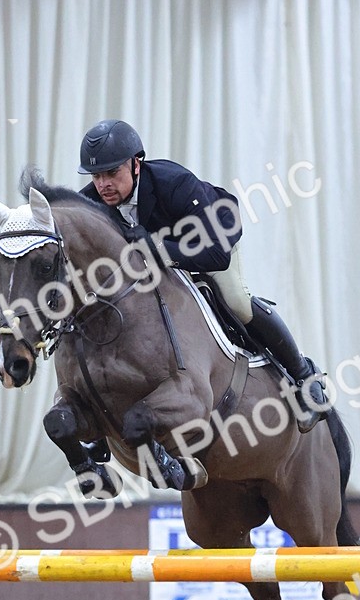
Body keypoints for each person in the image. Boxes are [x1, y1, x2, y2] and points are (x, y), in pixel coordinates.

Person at [77, 119, 328, 433]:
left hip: (212, 239)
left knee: (235, 300)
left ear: (136, 164)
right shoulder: (91, 201)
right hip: (157, 253)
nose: (104, 185)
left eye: (113, 173)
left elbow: (216, 256)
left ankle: (304, 375)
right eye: (97, 176)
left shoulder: (174, 183)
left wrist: (156, 247)